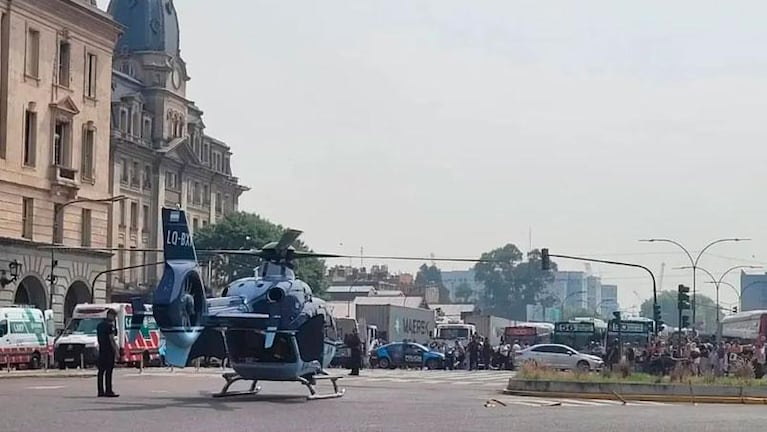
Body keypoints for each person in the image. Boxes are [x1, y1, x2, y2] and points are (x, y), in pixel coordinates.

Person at [96, 309, 120, 397]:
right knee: (109, 372)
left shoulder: (99, 325)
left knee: (101, 372)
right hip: (109, 351)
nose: (114, 318)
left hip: (102, 350)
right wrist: (117, 351)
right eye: (114, 316)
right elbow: (111, 339)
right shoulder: (110, 326)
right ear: (110, 315)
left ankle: (100, 391)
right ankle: (108, 390)